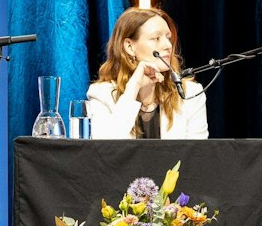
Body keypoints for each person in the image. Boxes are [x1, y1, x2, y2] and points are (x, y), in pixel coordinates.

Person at [86, 7, 209, 140]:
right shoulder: (101, 94)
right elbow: (104, 151)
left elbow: (197, 155)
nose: (168, 45)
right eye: (156, 38)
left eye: (168, 38)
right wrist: (132, 89)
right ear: (129, 47)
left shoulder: (190, 94)